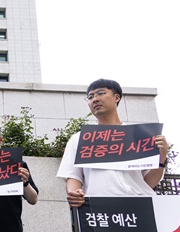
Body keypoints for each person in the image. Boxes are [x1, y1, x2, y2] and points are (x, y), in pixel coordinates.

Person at [57, 79, 169, 207]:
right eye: (90, 97)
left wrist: (162, 157)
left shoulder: (140, 136)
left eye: (101, 93)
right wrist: (74, 193)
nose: (95, 99)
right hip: (101, 207)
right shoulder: (79, 139)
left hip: (142, 204)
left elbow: (148, 182)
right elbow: (73, 176)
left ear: (116, 97)